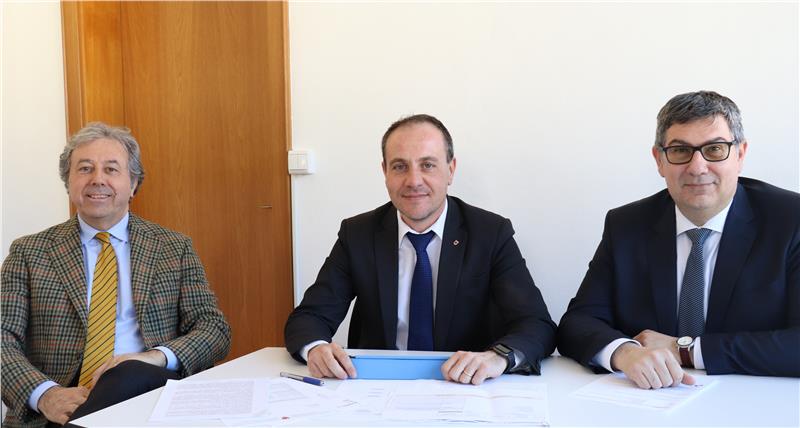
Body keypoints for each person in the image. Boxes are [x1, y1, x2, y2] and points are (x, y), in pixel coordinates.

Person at [285, 114, 556, 385]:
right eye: (400, 166)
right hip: (380, 386)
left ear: (451, 170)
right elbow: (309, 317)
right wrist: (316, 348)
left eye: (427, 165)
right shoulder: (358, 234)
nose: (414, 180)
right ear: (385, 172)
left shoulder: (490, 233)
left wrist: (498, 357)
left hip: (466, 386)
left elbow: (536, 324)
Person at [557, 91, 800, 389]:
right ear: (659, 160)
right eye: (680, 150)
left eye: (715, 149)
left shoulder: (791, 221)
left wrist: (685, 350)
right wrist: (625, 352)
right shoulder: (626, 225)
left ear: (740, 154)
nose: (697, 167)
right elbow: (577, 323)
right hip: (649, 400)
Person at [1, 122, 231, 427]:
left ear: (133, 183)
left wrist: (154, 357)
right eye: (85, 169)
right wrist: (45, 395)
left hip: (147, 400)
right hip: (59, 408)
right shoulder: (29, 252)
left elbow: (214, 329)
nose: (97, 179)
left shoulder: (173, 248)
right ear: (68, 182)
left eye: (111, 169)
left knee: (128, 374)